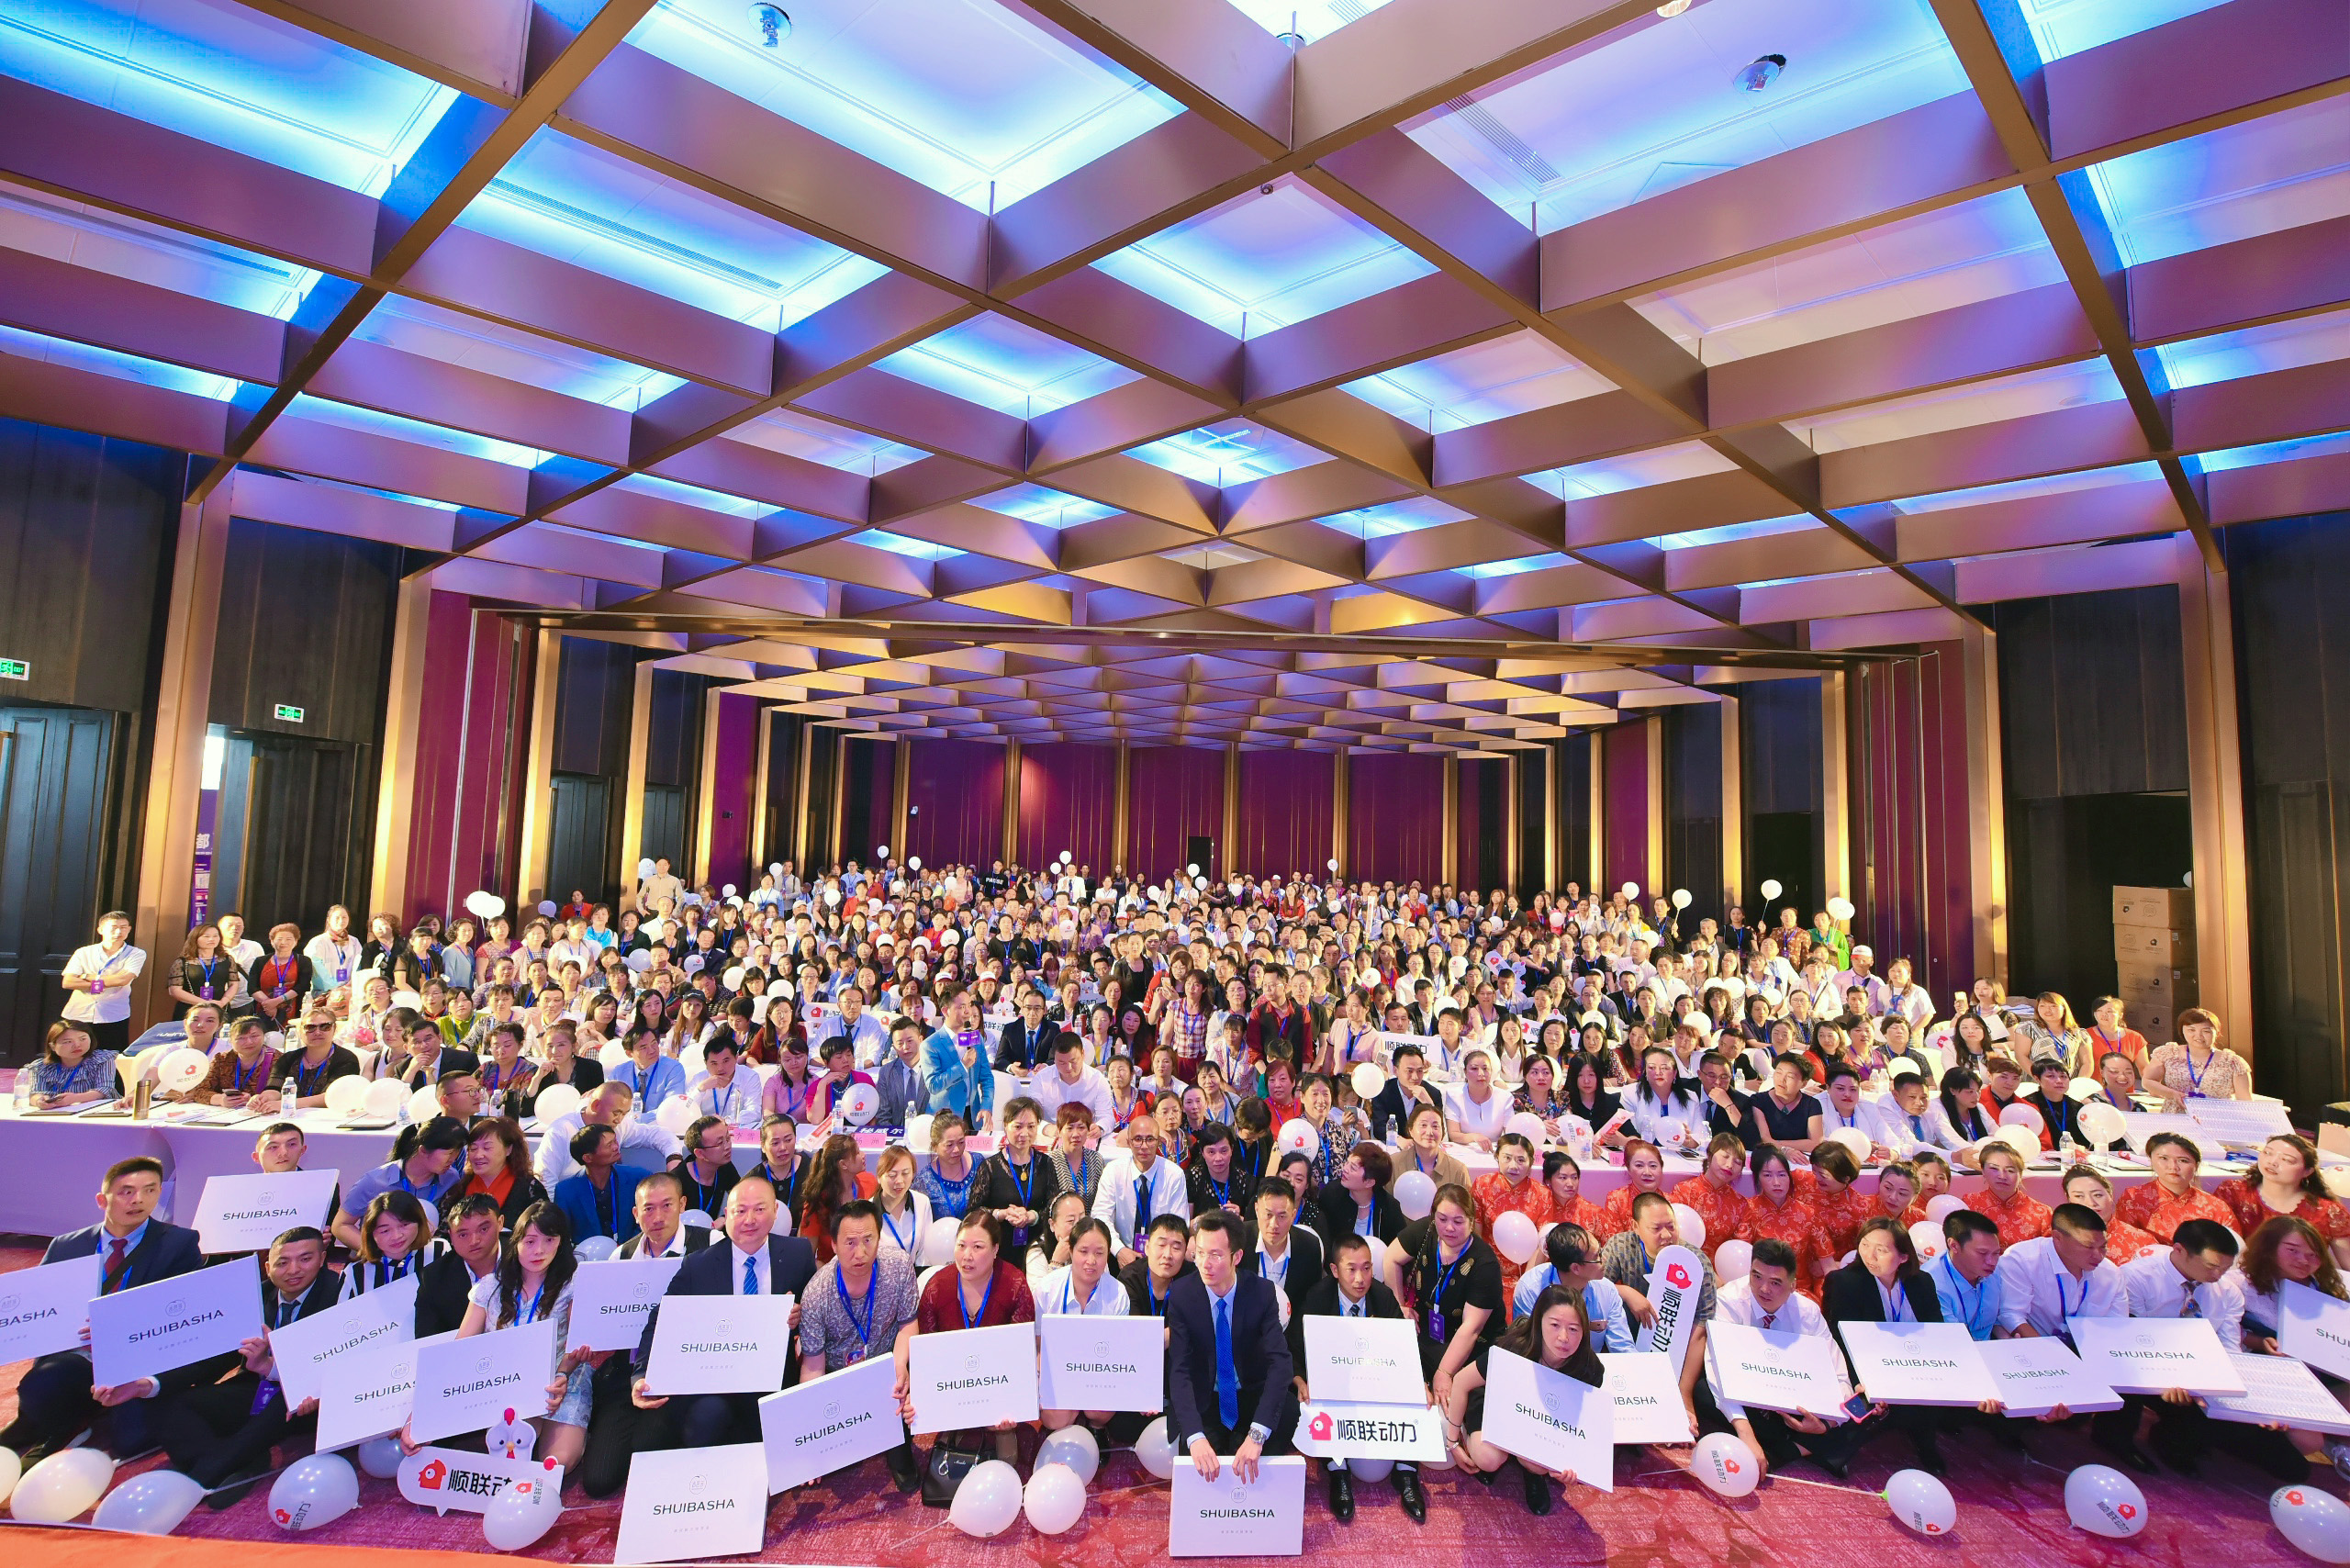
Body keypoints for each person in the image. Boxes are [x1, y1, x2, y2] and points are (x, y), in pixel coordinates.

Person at [0, 1157, 203, 1462]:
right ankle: (62, 1420)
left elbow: (183, 1310)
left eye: (150, 1190)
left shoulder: (178, 1242)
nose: (139, 1200)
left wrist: (119, 1329)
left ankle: (83, 1413)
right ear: (102, 1199)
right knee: (40, 1385)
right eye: (126, 1191)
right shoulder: (66, 1245)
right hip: (78, 1351)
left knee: (130, 1440)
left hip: (137, 1354)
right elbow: (41, 1307)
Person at [152, 1225, 341, 1504]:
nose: (293, 1270)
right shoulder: (253, 1297)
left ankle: (197, 1482)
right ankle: (242, 1463)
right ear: (267, 1267)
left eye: (305, 1259)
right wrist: (151, 1384)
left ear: (323, 1258)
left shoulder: (339, 1292)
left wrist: (293, 1377)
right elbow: (216, 1359)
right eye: (282, 1262)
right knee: (173, 1404)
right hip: (257, 1385)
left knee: (282, 1402)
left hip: (312, 1395)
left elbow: (342, 1359)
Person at [632, 1174, 816, 1445]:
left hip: (775, 1376)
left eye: (759, 1209)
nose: (749, 1220)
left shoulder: (797, 1254)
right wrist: (642, 1373)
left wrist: (800, 1317)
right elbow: (662, 1318)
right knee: (704, 1419)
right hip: (716, 1382)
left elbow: (815, 1315)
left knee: (787, 1432)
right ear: (726, 1215)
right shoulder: (699, 1266)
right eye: (740, 1211)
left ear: (776, 1211)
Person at [409, 1202, 590, 1471]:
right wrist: (419, 1414)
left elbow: (576, 1345)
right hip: (506, 1384)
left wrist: (563, 1374)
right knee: (510, 1452)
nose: (539, 1250)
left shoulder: (573, 1284)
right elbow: (460, 1349)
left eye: (549, 1240)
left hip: (560, 1380)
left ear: (561, 1242)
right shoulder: (490, 1287)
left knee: (557, 1463)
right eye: (530, 1241)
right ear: (516, 1242)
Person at [2109, 1219, 2276, 1478]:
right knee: (2124, 1374)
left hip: (2196, 1373)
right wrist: (2167, 1377)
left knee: (2278, 1458)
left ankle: (2173, 1438)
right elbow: (2130, 1338)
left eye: (2225, 1268)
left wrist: (2225, 1390)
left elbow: (2229, 1348)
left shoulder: (2227, 1292)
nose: (2218, 1275)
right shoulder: (2137, 1277)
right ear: (2179, 1250)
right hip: (2141, 1363)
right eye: (2212, 1266)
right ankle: (2115, 1438)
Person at [576, 1175, 708, 1497]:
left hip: (684, 1373)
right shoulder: (621, 1256)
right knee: (599, 1481)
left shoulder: (710, 1244)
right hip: (628, 1374)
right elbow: (606, 1322)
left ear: (683, 1205)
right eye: (648, 1209)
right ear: (636, 1214)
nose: (658, 1217)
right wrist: (592, 1340)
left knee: (646, 1454)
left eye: (667, 1206)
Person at [1704, 1238, 1863, 1481]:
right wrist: (1746, 1434)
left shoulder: (1808, 1312)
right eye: (1756, 1277)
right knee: (1704, 1391)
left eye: (1775, 1282)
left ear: (1792, 1285)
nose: (1764, 1289)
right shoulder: (1728, 1301)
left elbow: (1838, 1374)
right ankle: (1811, 1447)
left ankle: (1783, 1452)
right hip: (1748, 1394)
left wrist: (1826, 1424)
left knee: (1865, 1407)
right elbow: (1718, 1370)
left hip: (1794, 1399)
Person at [1439, 1282, 1601, 1514]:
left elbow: (1585, 1422)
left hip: (1542, 1420)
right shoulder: (1516, 1348)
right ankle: (1485, 1441)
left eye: (1574, 1329)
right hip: (1494, 1403)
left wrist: (1570, 1462)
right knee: (1488, 1458)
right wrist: (1453, 1441)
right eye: (1555, 1325)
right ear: (1539, 1321)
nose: (1564, 1337)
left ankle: (1531, 1472)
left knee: (1539, 1464)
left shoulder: (1589, 1367)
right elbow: (1462, 1381)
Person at [795, 1200, 922, 1492]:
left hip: (887, 1367)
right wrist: (812, 1433)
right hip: (841, 1378)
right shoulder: (816, 1293)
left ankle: (899, 1448)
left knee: (906, 1404)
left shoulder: (899, 1267)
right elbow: (813, 1367)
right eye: (850, 1243)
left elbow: (908, 1325)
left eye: (868, 1240)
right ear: (834, 1245)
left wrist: (900, 1365)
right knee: (839, 1463)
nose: (861, 1252)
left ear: (879, 1237)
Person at [1288, 1229, 1416, 1520]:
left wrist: (1417, 1382)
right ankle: (1338, 1472)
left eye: (1367, 1268)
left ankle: (1407, 1473)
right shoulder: (1318, 1298)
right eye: (1352, 1269)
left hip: (1376, 1379)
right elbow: (1294, 1345)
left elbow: (1404, 1347)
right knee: (1314, 1402)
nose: (1361, 1279)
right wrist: (1299, 1379)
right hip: (1331, 1383)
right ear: (1335, 1270)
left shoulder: (1382, 1296)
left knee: (1414, 1394)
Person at [898, 1211, 1036, 1471]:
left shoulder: (1015, 1284)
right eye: (961, 1245)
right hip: (954, 1384)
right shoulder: (937, 1287)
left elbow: (1020, 1355)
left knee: (1008, 1461)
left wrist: (1010, 1400)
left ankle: (999, 1435)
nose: (967, 1256)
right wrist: (919, 1395)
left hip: (998, 1381)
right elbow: (928, 1355)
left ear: (995, 1250)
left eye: (977, 1247)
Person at [1168, 1211, 1295, 1485]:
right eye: (1200, 1253)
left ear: (1236, 1257)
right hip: (1206, 1398)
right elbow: (1179, 1370)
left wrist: (1257, 1435)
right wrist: (1195, 1437)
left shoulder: (1262, 1293)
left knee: (1287, 1410)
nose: (1205, 1264)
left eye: (1215, 1255)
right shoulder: (1182, 1294)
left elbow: (1281, 1364)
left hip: (1248, 1394)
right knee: (1200, 1476)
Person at [1387, 1182, 1505, 1473]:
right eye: (1442, 1219)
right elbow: (1390, 1258)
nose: (1449, 1228)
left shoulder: (1485, 1263)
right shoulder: (1427, 1231)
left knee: (1487, 1457)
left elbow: (1471, 1329)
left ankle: (1465, 1426)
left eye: (1458, 1221)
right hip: (1429, 1333)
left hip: (1474, 1347)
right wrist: (1400, 1305)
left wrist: (1445, 1372)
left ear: (1472, 1221)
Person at [1821, 1216, 1949, 1473]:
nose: (1870, 1256)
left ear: (1903, 1257)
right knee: (1857, 1408)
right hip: (1863, 1368)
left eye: (1881, 1250)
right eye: (1865, 1245)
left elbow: (1937, 1334)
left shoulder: (1922, 1283)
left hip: (1911, 1365)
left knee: (1935, 1391)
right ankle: (1834, 1451)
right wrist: (1859, 1383)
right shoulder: (1844, 1282)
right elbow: (1840, 1342)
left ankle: (1925, 1441)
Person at [1606, 1192, 1718, 1432]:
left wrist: (1684, 1393)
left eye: (1671, 1226)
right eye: (1656, 1228)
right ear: (1635, 1227)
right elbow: (1595, 1287)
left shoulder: (1696, 1262)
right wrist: (1626, 1291)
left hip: (1681, 1346)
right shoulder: (1621, 1246)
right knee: (1615, 1307)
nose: (1666, 1235)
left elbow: (1701, 1328)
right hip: (1633, 1335)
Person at [1995, 1202, 2126, 1345]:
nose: (2099, 1256)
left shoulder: (2111, 1274)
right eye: (2088, 1246)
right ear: (2057, 1238)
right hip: (2037, 1347)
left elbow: (2118, 1326)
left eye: (2103, 1247)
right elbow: (2011, 1315)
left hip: (2092, 1350)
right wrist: (2053, 1352)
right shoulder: (2023, 1260)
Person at [332, 1116, 468, 1250]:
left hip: (426, 1256)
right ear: (423, 1151)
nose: (453, 1159)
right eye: (450, 1153)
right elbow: (341, 1225)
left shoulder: (451, 1179)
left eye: (457, 1152)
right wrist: (375, 1253)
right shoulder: (374, 1181)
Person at [2226, 1134, 2350, 1266]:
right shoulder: (2233, 1191)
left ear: (2308, 1171)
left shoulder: (2329, 1211)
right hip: (2241, 1273)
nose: (2272, 1162)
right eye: (2267, 1153)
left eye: (2287, 1160)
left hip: (2301, 1276)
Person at [1512, 1220, 1636, 1347]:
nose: (1603, 1259)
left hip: (1590, 1360)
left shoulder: (1607, 1291)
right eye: (1596, 1257)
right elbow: (1526, 1346)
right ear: (1575, 1268)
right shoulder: (1530, 1289)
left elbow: (1623, 1347)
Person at [1092, 1114, 1192, 1269]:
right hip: (1120, 1254)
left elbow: (1179, 1223)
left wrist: (1159, 1254)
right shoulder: (1113, 1171)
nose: (1144, 1146)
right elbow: (1100, 1215)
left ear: (1158, 1142)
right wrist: (1119, 1250)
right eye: (1138, 1139)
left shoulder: (1174, 1174)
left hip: (1162, 1256)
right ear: (1128, 1142)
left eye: (1150, 1139)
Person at [979, 1096, 1060, 1269]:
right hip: (999, 1250)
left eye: (1031, 1126)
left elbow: (1054, 1208)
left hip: (1038, 1250)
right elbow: (974, 1211)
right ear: (1005, 1126)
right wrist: (1001, 1214)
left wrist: (1033, 1216)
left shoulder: (1046, 1163)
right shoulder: (990, 1166)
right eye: (1017, 1126)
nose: (1024, 1133)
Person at [2115, 1131, 2238, 1242]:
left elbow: (2233, 1250)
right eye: (2164, 1158)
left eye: (2183, 1160)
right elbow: (2123, 1240)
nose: (2173, 1167)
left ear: (2196, 1165)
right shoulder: (2133, 1198)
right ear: (2151, 1160)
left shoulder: (2216, 1208)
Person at [415, 1194, 506, 1336]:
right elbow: (428, 1339)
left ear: (500, 1223)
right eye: (463, 1235)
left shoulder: (525, 1256)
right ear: (451, 1236)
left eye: (483, 1229)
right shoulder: (433, 1278)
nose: (474, 1241)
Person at [58, 911, 145, 1054]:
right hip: (79, 1013)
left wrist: (85, 976)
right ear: (100, 930)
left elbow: (122, 980)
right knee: (75, 1055)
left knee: (110, 1057)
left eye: (123, 927)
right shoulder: (83, 952)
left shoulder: (136, 953)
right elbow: (68, 982)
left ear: (129, 929)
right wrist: (106, 981)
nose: (119, 932)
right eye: (113, 927)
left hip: (113, 1014)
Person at [340, 1190, 450, 1301]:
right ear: (370, 1234)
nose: (396, 1236)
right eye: (385, 1231)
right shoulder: (355, 1273)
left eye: (404, 1225)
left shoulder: (439, 1251)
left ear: (419, 1222)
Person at [555, 1123, 646, 1245]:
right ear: (588, 1158)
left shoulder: (638, 1178)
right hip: (587, 1254)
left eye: (615, 1141)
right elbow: (562, 1235)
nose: (616, 1147)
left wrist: (627, 1247)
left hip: (633, 1250)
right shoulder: (565, 1191)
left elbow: (648, 1221)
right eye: (609, 1145)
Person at [1242, 1176, 1323, 1315]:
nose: (1274, 1224)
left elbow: (1310, 1302)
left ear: (1293, 1215)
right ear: (1256, 1210)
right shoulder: (1239, 1239)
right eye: (1268, 1215)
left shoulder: (1309, 1247)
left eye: (1282, 1216)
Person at [2143, 1008, 2253, 1104]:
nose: (2198, 1036)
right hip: (2177, 1116)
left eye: (2206, 1031)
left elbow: (2245, 1101)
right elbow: (2148, 1081)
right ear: (2182, 1030)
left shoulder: (2233, 1062)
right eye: (2191, 1030)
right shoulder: (2168, 1053)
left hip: (2217, 1117)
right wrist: (2172, 1094)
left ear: (2217, 1033)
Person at [461, 1114, 549, 1229]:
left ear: (508, 1149)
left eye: (487, 1148)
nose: (478, 1155)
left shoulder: (530, 1189)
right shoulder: (460, 1189)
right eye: (473, 1149)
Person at [1933, 1209, 2006, 1340]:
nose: (1992, 1262)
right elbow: (1952, 1339)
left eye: (1996, 1253)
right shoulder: (1932, 1282)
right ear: (1954, 1246)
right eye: (1982, 1253)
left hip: (1990, 1347)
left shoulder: (1994, 1271)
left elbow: (1997, 1319)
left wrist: (2007, 1340)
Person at [269, 1008, 364, 1107]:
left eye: (325, 1027)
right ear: (301, 1031)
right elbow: (274, 1088)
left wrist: (287, 1104)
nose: (317, 1032)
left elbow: (333, 1096)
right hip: (289, 1112)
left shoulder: (346, 1059)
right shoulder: (288, 1058)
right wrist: (265, 1099)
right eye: (310, 1027)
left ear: (334, 1029)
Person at [1966, 1142, 2053, 1247]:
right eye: (1994, 1169)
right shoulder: (1969, 1204)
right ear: (1983, 1171)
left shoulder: (2041, 1213)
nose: (2002, 1176)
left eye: (2010, 1170)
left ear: (2020, 1175)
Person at [25, 1019, 118, 1109]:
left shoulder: (102, 1059)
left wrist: (75, 1098)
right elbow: (34, 1093)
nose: (77, 1045)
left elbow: (105, 1089)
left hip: (98, 1111)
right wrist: (39, 1101)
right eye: (68, 1042)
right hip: (56, 1112)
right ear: (52, 1046)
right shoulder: (40, 1067)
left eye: (82, 1039)